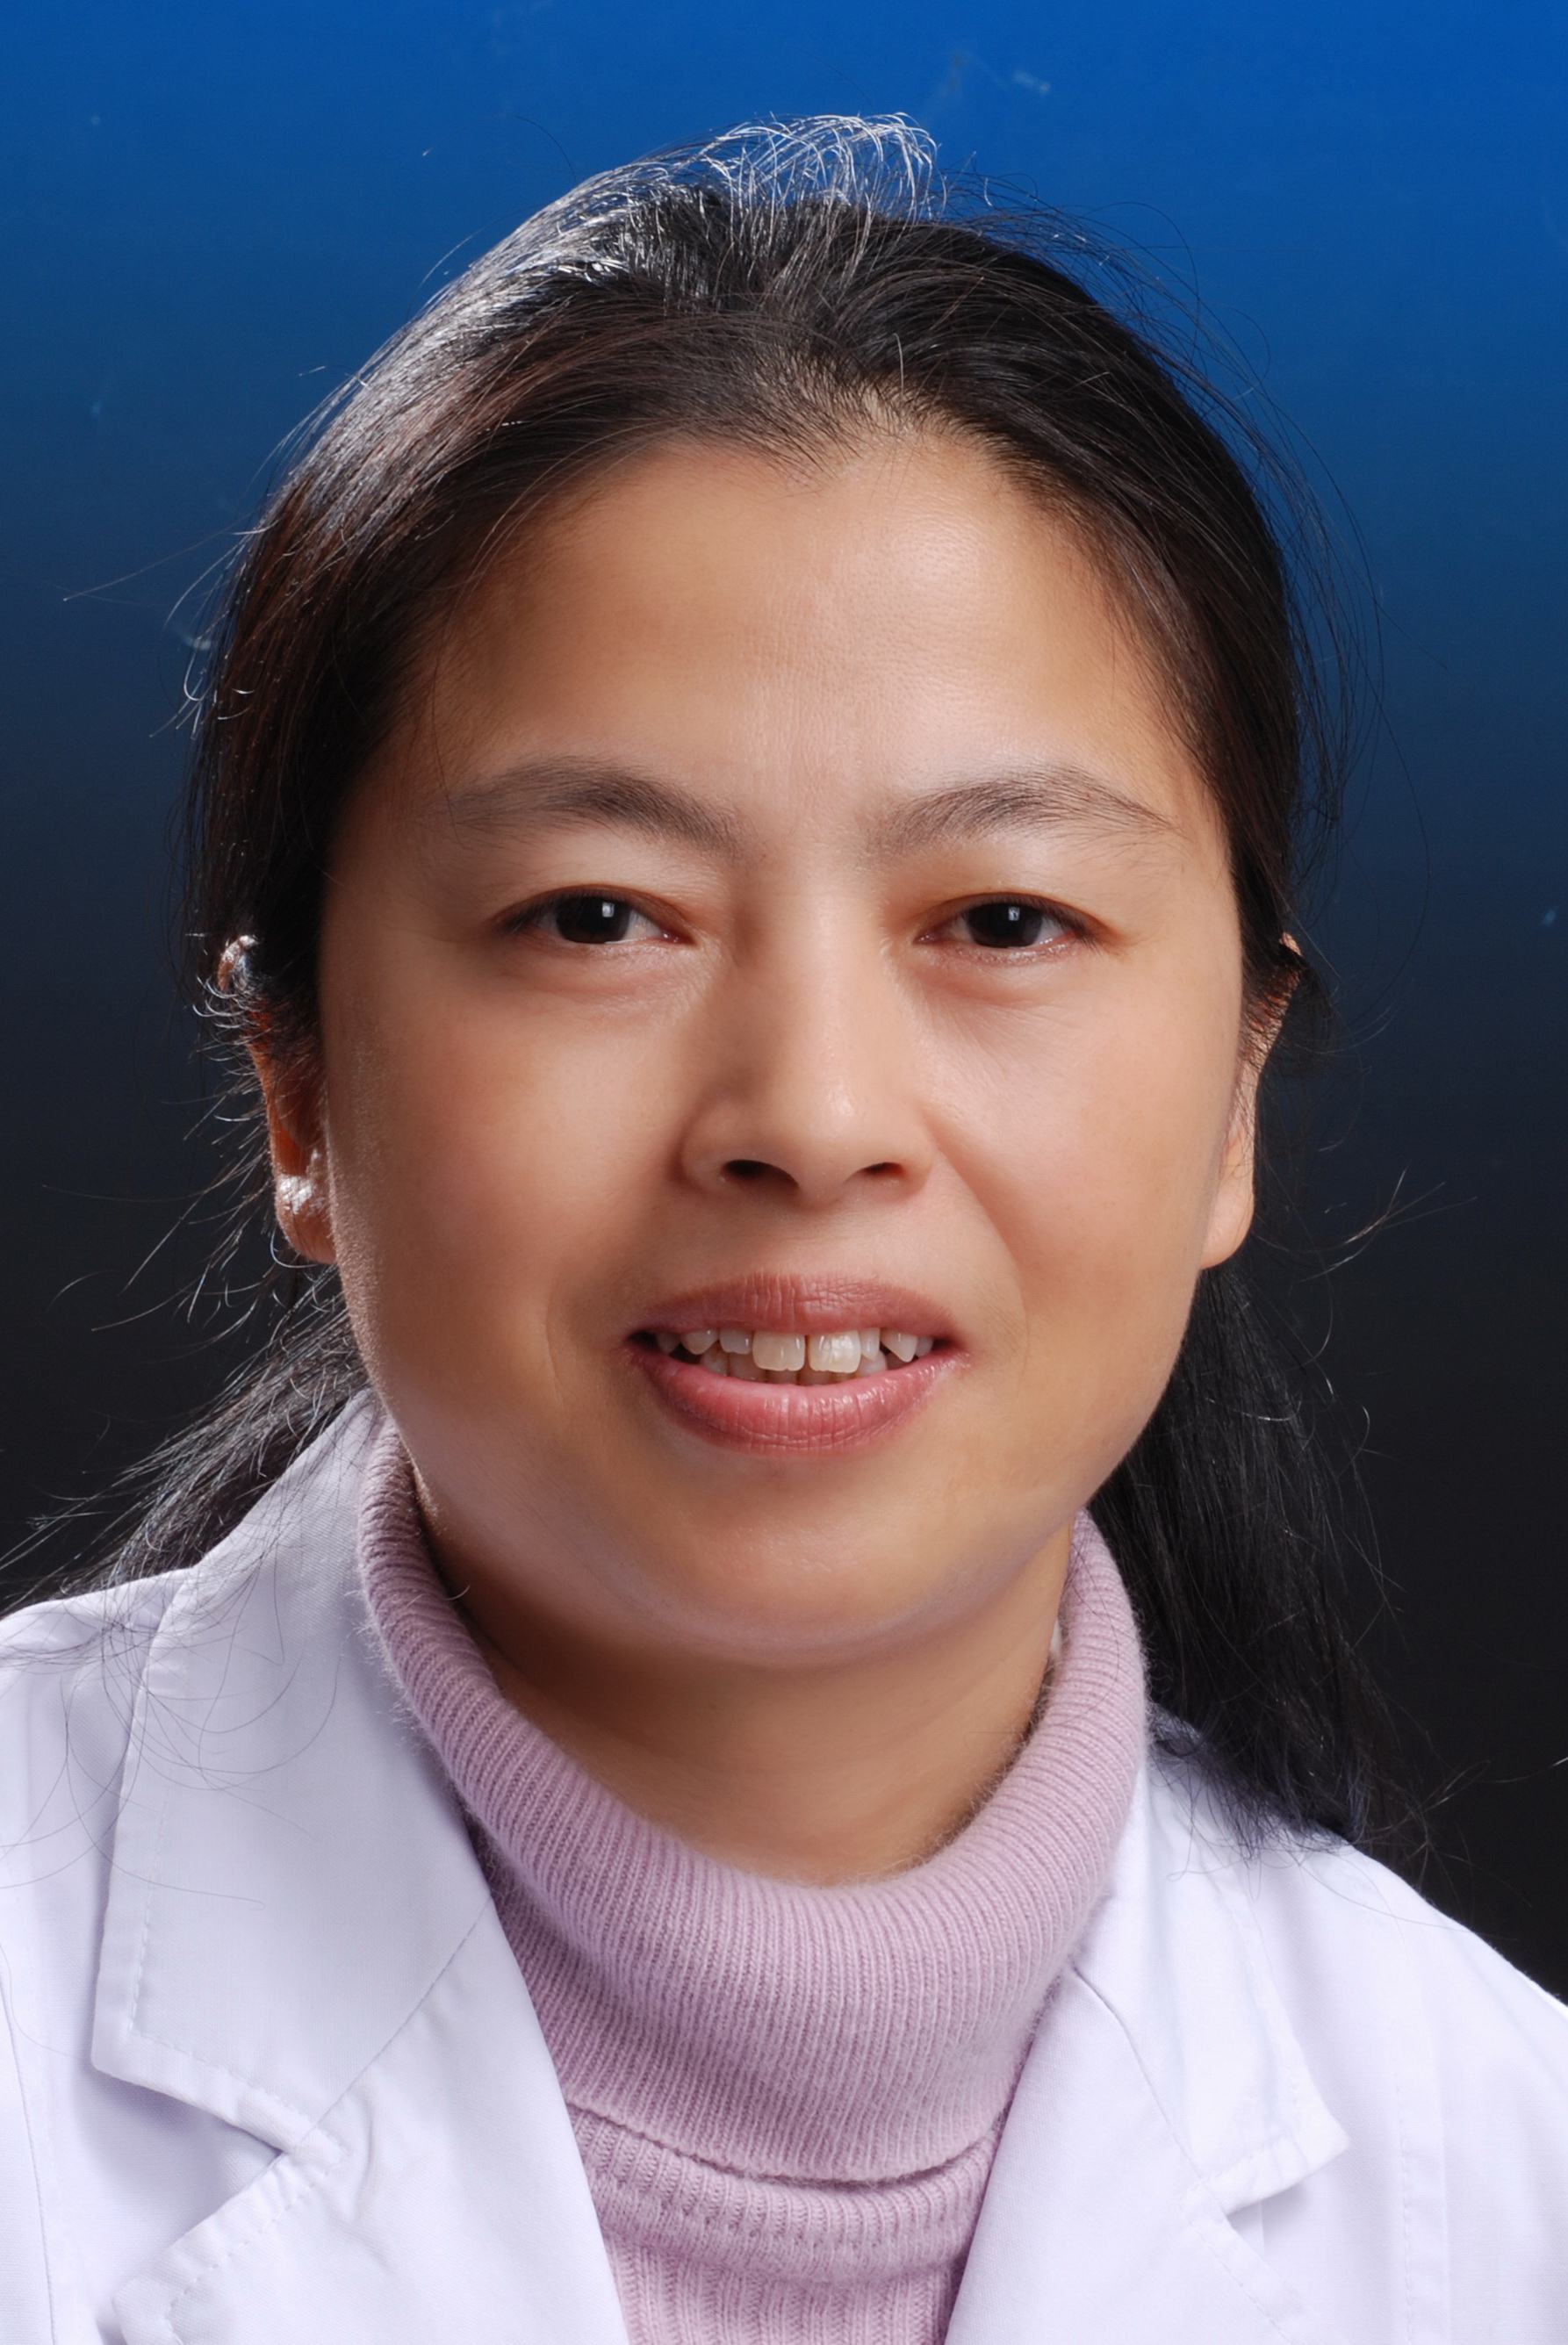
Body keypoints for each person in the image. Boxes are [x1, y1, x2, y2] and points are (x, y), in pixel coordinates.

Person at [2, 116, 1563, 2345]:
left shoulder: (1499, 2188)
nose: (811, 1119)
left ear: (1234, 1086)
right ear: (300, 1081)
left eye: (999, 919)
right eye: (597, 915)